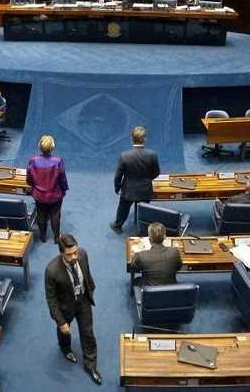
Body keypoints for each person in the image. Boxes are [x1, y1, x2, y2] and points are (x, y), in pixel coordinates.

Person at [44, 234, 102, 385]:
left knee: (88, 332)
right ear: (61, 253)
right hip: (65, 306)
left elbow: (87, 273)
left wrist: (91, 288)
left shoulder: (82, 254)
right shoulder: (51, 270)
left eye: (75, 252)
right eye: (69, 254)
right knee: (64, 330)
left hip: (83, 300)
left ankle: (90, 366)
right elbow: (51, 299)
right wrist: (61, 322)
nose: (74, 257)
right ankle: (65, 348)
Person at [110, 126, 160, 233]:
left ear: (131, 138)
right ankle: (141, 230)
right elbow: (156, 172)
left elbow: (118, 176)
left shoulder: (124, 156)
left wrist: (117, 187)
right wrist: (147, 179)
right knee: (143, 210)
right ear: (145, 139)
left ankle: (117, 225)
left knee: (123, 209)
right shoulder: (152, 155)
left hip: (128, 190)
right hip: (145, 190)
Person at [26, 135, 68, 243]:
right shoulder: (58, 161)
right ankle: (56, 238)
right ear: (52, 147)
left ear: (39, 146)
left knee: (41, 215)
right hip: (55, 195)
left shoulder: (33, 160)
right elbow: (62, 178)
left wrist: (32, 186)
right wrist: (64, 190)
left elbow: (29, 179)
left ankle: (43, 237)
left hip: (39, 195)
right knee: (55, 215)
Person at [131, 222, 182, 286]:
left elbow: (133, 268)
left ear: (149, 239)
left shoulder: (140, 256)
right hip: (169, 288)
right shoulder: (174, 252)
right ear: (165, 237)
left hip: (149, 289)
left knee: (135, 281)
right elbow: (178, 267)